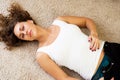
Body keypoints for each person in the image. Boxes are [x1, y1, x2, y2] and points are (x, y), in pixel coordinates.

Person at [0, 3, 120, 80]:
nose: (25, 33)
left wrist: (94, 33)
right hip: (101, 74)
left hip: (110, 49)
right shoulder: (42, 55)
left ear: (29, 21)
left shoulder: (60, 21)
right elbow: (64, 78)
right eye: (22, 36)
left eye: (23, 28)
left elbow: (86, 21)